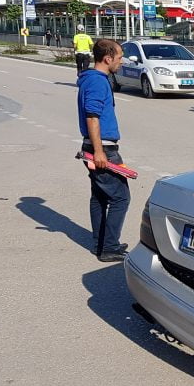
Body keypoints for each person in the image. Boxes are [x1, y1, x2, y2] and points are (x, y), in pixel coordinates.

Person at [77, 39, 129, 262]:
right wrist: (99, 152)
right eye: (119, 57)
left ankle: (101, 242)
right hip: (103, 149)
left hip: (95, 146)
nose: (121, 61)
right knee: (120, 197)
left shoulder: (91, 79)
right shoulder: (98, 82)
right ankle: (109, 246)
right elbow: (92, 116)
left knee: (100, 196)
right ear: (107, 59)